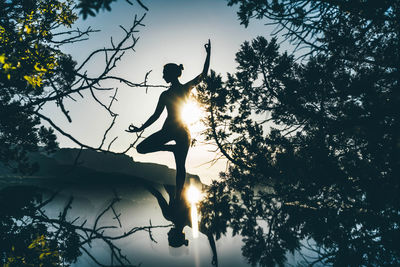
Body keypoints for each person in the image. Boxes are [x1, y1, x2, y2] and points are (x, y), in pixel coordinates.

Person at [127, 40, 211, 201]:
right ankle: (171, 151)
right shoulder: (169, 93)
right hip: (178, 131)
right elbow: (156, 115)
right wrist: (140, 128)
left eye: (165, 73)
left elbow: (203, 75)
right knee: (145, 150)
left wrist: (208, 54)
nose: (163, 76)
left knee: (178, 166)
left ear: (172, 74)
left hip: (177, 130)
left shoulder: (176, 91)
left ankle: (179, 198)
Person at [144, 183, 218, 266]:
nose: (167, 234)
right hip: (173, 181)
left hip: (183, 183)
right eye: (169, 237)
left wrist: (215, 255)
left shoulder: (188, 221)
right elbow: (157, 194)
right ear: (175, 235)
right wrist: (143, 184)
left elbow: (209, 234)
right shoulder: (169, 216)